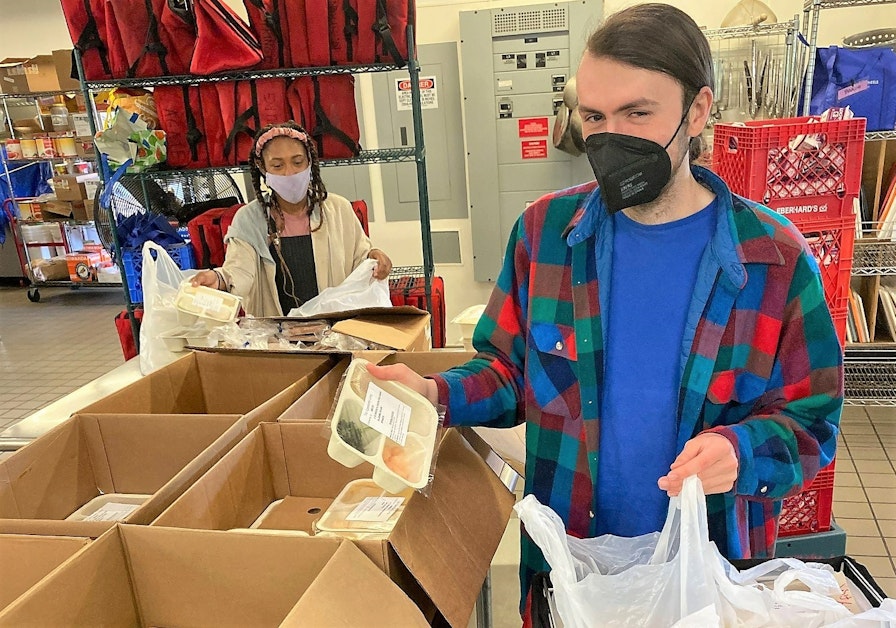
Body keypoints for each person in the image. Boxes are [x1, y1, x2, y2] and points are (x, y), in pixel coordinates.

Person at [368, 2, 843, 619]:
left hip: (708, 579)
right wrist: (434, 395)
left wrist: (743, 449)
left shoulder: (773, 260)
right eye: (594, 116)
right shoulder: (546, 236)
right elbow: (510, 372)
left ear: (697, 111)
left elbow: (813, 419)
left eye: (637, 114)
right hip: (573, 573)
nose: (609, 136)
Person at [191, 121, 392, 316]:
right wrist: (218, 279)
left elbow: (360, 260)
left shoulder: (339, 210)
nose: (289, 173)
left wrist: (375, 258)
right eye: (277, 166)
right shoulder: (249, 219)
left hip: (334, 333)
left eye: (297, 162)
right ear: (263, 168)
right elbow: (239, 272)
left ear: (310, 162)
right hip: (276, 338)